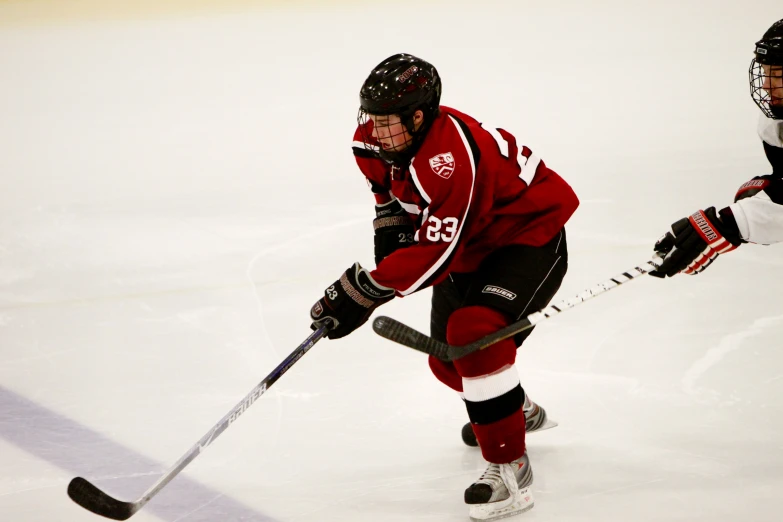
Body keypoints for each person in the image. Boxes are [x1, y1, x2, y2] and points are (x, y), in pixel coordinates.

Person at [308, 53, 579, 520]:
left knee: (472, 335)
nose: (377, 131)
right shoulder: (371, 142)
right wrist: (388, 242)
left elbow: (437, 249)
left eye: (389, 122)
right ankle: (516, 411)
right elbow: (389, 199)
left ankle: (510, 466)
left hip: (527, 235)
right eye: (371, 118)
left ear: (420, 115)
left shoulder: (448, 158)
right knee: (446, 362)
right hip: (473, 245)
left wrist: (365, 290)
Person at [650, 19, 783, 277]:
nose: (766, 85)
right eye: (765, 73)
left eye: (777, 74)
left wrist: (733, 223)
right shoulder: (775, 123)